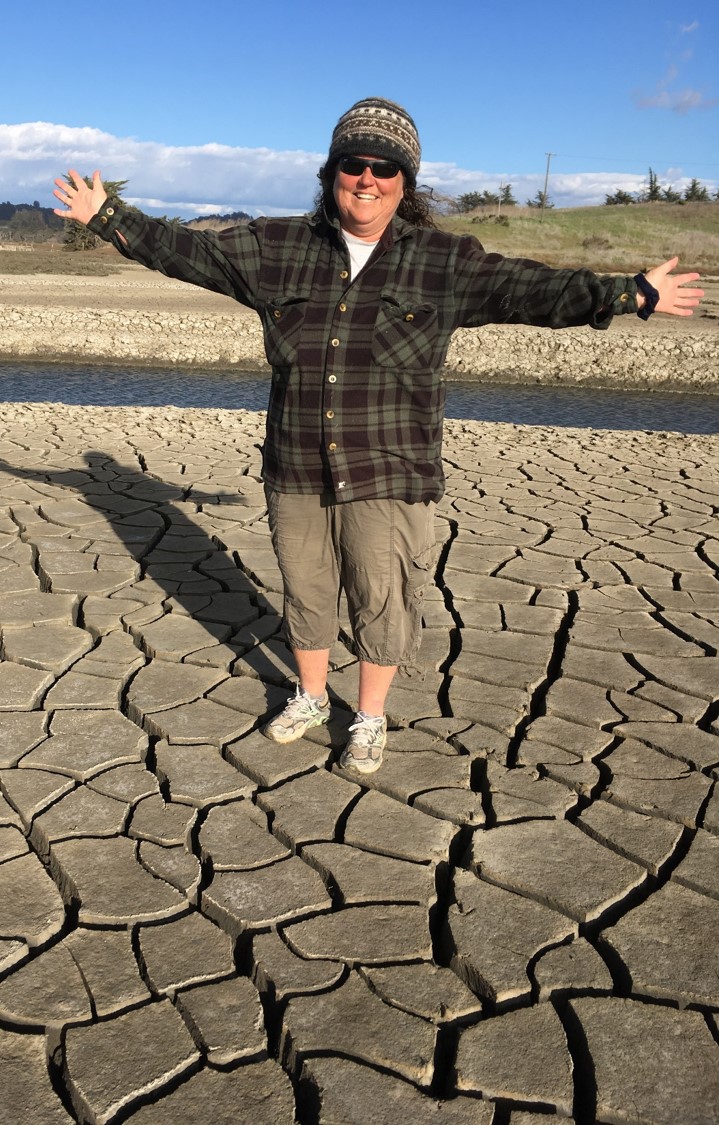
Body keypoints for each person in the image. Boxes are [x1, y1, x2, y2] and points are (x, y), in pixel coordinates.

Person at [53, 96, 703, 774]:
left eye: (384, 167)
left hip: (390, 469)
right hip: (297, 463)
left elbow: (533, 290)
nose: (368, 178)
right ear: (331, 173)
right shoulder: (276, 248)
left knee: (382, 596)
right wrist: (109, 217)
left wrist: (627, 294)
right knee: (305, 590)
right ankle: (308, 694)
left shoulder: (444, 262)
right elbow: (190, 252)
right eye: (354, 164)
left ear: (406, 182)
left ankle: (367, 715)